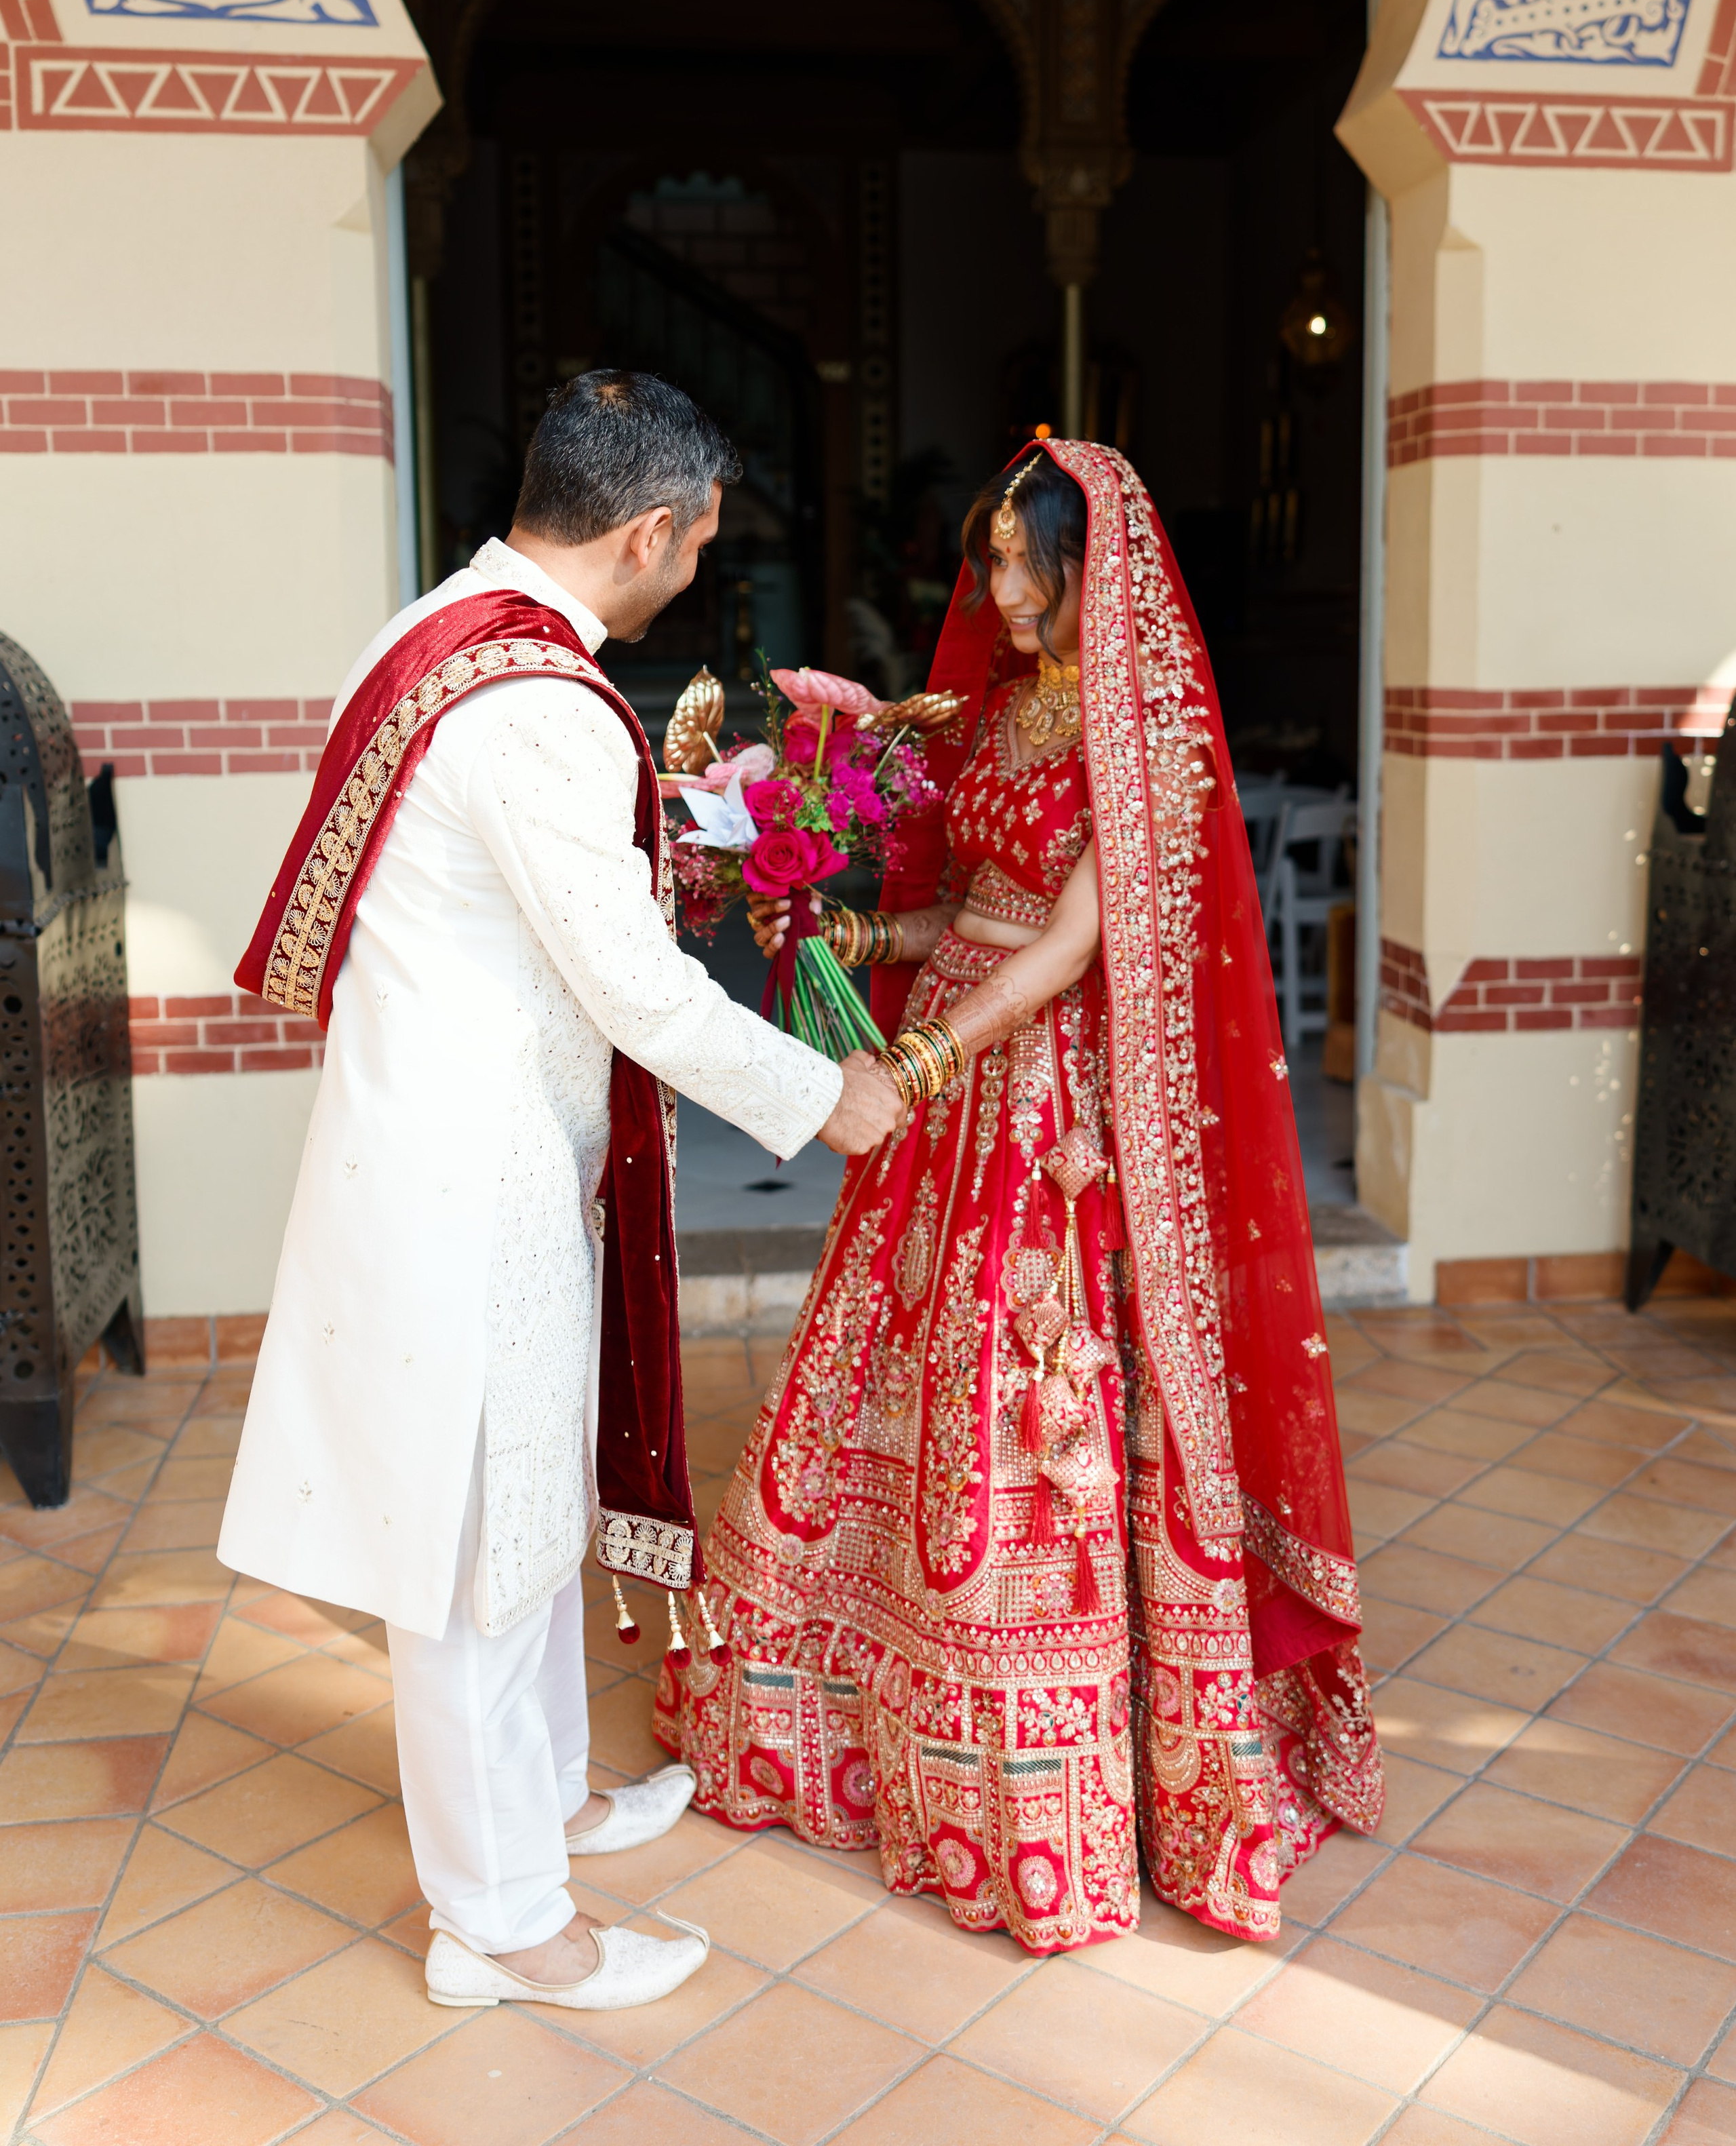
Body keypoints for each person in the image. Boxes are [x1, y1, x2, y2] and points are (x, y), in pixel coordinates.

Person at [217, 372, 903, 2014]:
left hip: (475, 1148)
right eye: (701, 545)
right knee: (470, 1546)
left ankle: (544, 1813)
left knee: (517, 1512)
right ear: (651, 530)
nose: (697, 571)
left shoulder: (448, 628)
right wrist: (830, 1096)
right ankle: (500, 1924)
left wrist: (686, 833)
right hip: (468, 1176)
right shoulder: (532, 702)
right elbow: (637, 994)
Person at [658, 439, 1383, 1953]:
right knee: (889, 1359)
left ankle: (1034, 1766)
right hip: (944, 1057)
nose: (990, 589)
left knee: (1019, 1387)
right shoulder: (995, 709)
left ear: (1083, 566)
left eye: (1013, 562)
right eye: (983, 559)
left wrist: (918, 1056)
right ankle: (847, 1706)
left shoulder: (1138, 723)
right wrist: (857, 935)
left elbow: (1065, 943)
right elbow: (970, 904)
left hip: (1038, 1094)